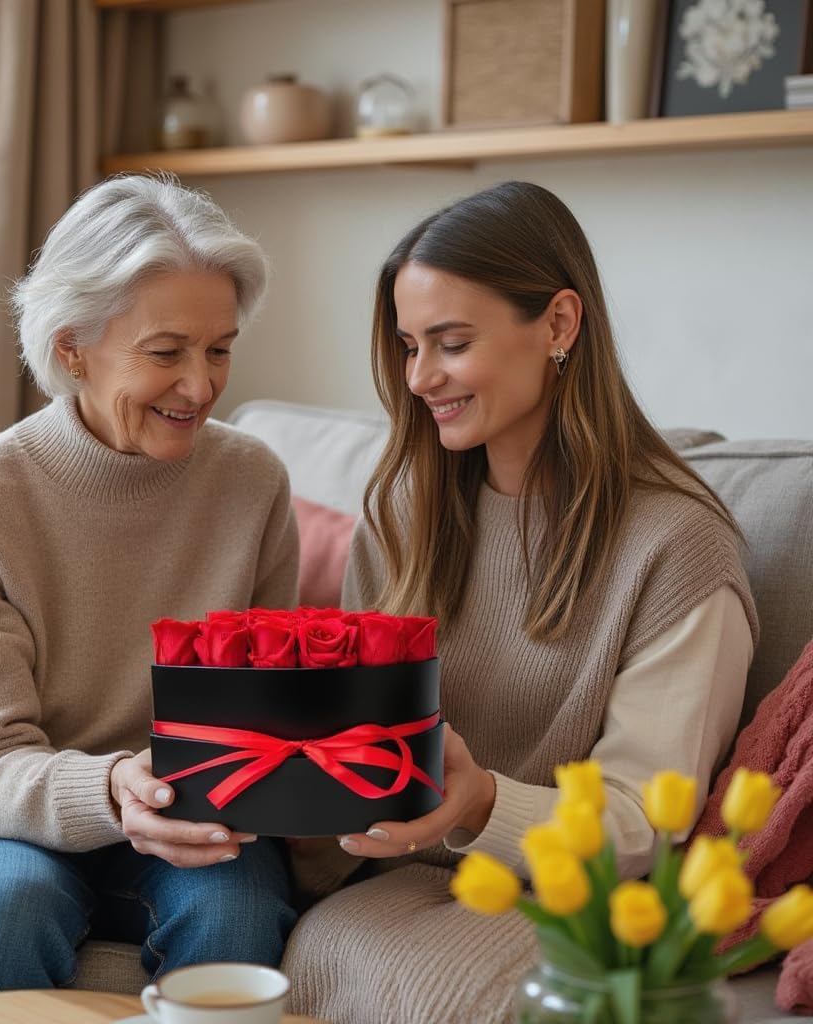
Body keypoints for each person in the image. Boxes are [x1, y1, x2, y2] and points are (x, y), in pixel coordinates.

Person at [283, 181, 758, 1024]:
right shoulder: (400, 511)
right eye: (406, 345)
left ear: (560, 326)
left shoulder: (676, 547)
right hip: (385, 895)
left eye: (451, 342)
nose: (420, 377)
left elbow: (647, 822)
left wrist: (482, 804)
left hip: (571, 911)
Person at [0, 176, 300, 1019]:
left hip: (194, 809)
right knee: (11, 899)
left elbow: (263, 707)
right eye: (166, 353)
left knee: (234, 902)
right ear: (71, 349)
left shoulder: (251, 482)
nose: (200, 387)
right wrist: (115, 785)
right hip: (6, 814)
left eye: (220, 348)